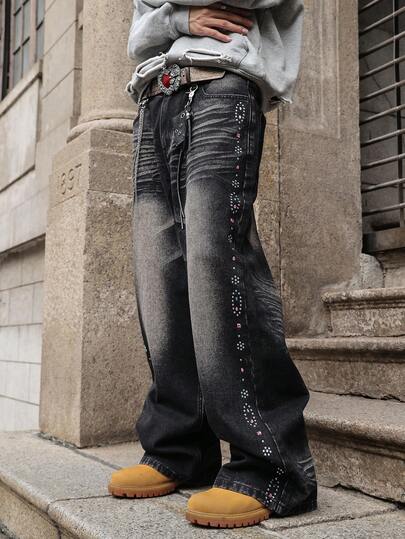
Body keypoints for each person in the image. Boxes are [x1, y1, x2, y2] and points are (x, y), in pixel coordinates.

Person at [108, 0, 317, 529]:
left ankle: (273, 467)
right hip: (155, 97)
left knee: (219, 269)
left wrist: (166, 15)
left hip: (222, 85)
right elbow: (138, 35)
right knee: (160, 283)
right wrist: (178, 20)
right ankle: (180, 449)